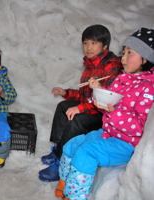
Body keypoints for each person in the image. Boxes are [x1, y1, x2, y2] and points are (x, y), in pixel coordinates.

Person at [55, 27, 154, 200]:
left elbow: (140, 127)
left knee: (86, 152)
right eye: (123, 53)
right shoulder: (122, 78)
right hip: (108, 134)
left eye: (129, 53)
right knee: (73, 143)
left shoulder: (148, 88)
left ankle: (73, 196)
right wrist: (99, 92)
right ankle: (64, 184)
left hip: (126, 143)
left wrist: (113, 111)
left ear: (145, 59)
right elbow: (105, 105)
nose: (122, 58)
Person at [39, 24, 123, 182]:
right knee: (63, 106)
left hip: (104, 114)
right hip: (92, 107)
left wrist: (80, 108)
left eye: (93, 43)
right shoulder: (90, 65)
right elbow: (85, 95)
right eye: (85, 43)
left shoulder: (111, 66)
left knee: (76, 120)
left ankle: (61, 162)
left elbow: (106, 99)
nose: (88, 47)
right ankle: (58, 149)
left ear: (104, 45)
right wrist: (66, 93)